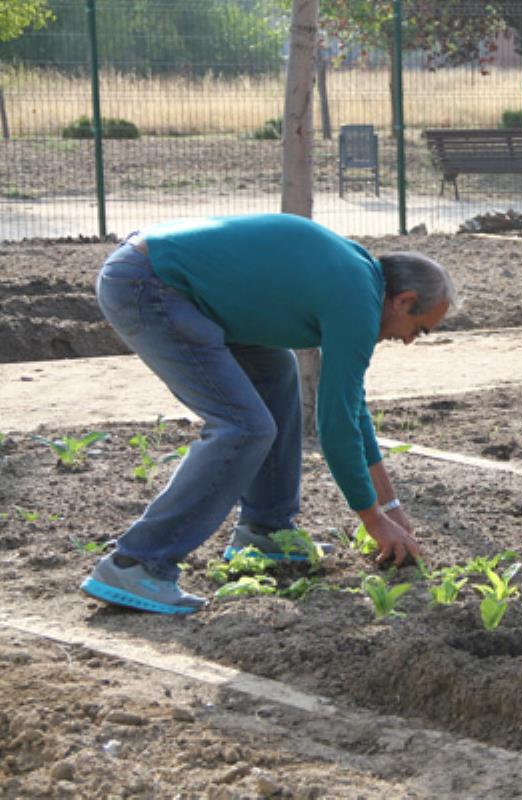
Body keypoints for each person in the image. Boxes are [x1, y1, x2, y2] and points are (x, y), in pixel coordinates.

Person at [80, 213, 458, 615]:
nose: (407, 341)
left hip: (174, 283)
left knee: (277, 375)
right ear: (403, 300)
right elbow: (335, 426)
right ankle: (136, 561)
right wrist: (372, 518)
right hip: (153, 285)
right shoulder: (357, 298)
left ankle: (265, 532)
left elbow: (350, 408)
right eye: (418, 329)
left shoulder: (360, 280)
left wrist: (391, 505)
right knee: (243, 426)